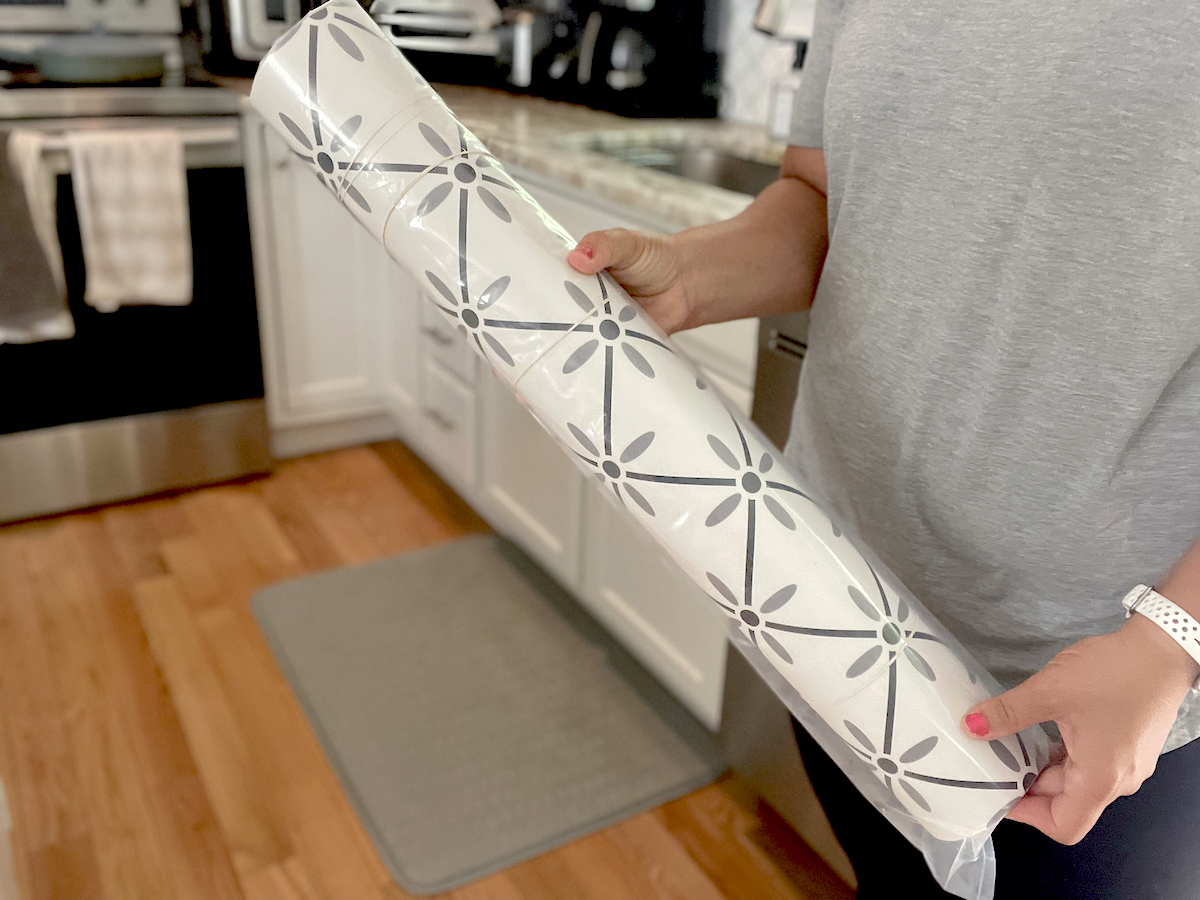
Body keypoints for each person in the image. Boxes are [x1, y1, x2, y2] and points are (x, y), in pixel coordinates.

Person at [566, 2, 1200, 898]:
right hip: (836, 605)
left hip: (1101, 688)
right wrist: (692, 276)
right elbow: (825, 200)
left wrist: (1175, 641)